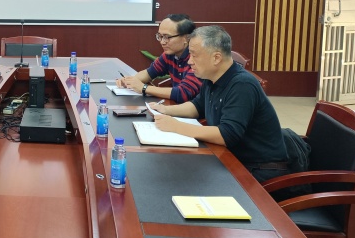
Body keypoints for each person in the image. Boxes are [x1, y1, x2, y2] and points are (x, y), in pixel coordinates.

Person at [150, 25, 291, 189]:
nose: (189, 61)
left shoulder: (242, 85)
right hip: (231, 158)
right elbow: (197, 106)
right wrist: (166, 110)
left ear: (216, 58)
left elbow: (227, 134)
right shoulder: (211, 77)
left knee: (186, 184)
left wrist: (177, 127)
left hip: (259, 171)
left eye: (194, 55)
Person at [117, 14, 202, 102]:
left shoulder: (197, 59)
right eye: (160, 36)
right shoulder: (169, 54)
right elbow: (150, 72)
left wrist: (144, 88)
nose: (162, 42)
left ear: (186, 38)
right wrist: (130, 81)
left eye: (167, 37)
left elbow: (183, 93)